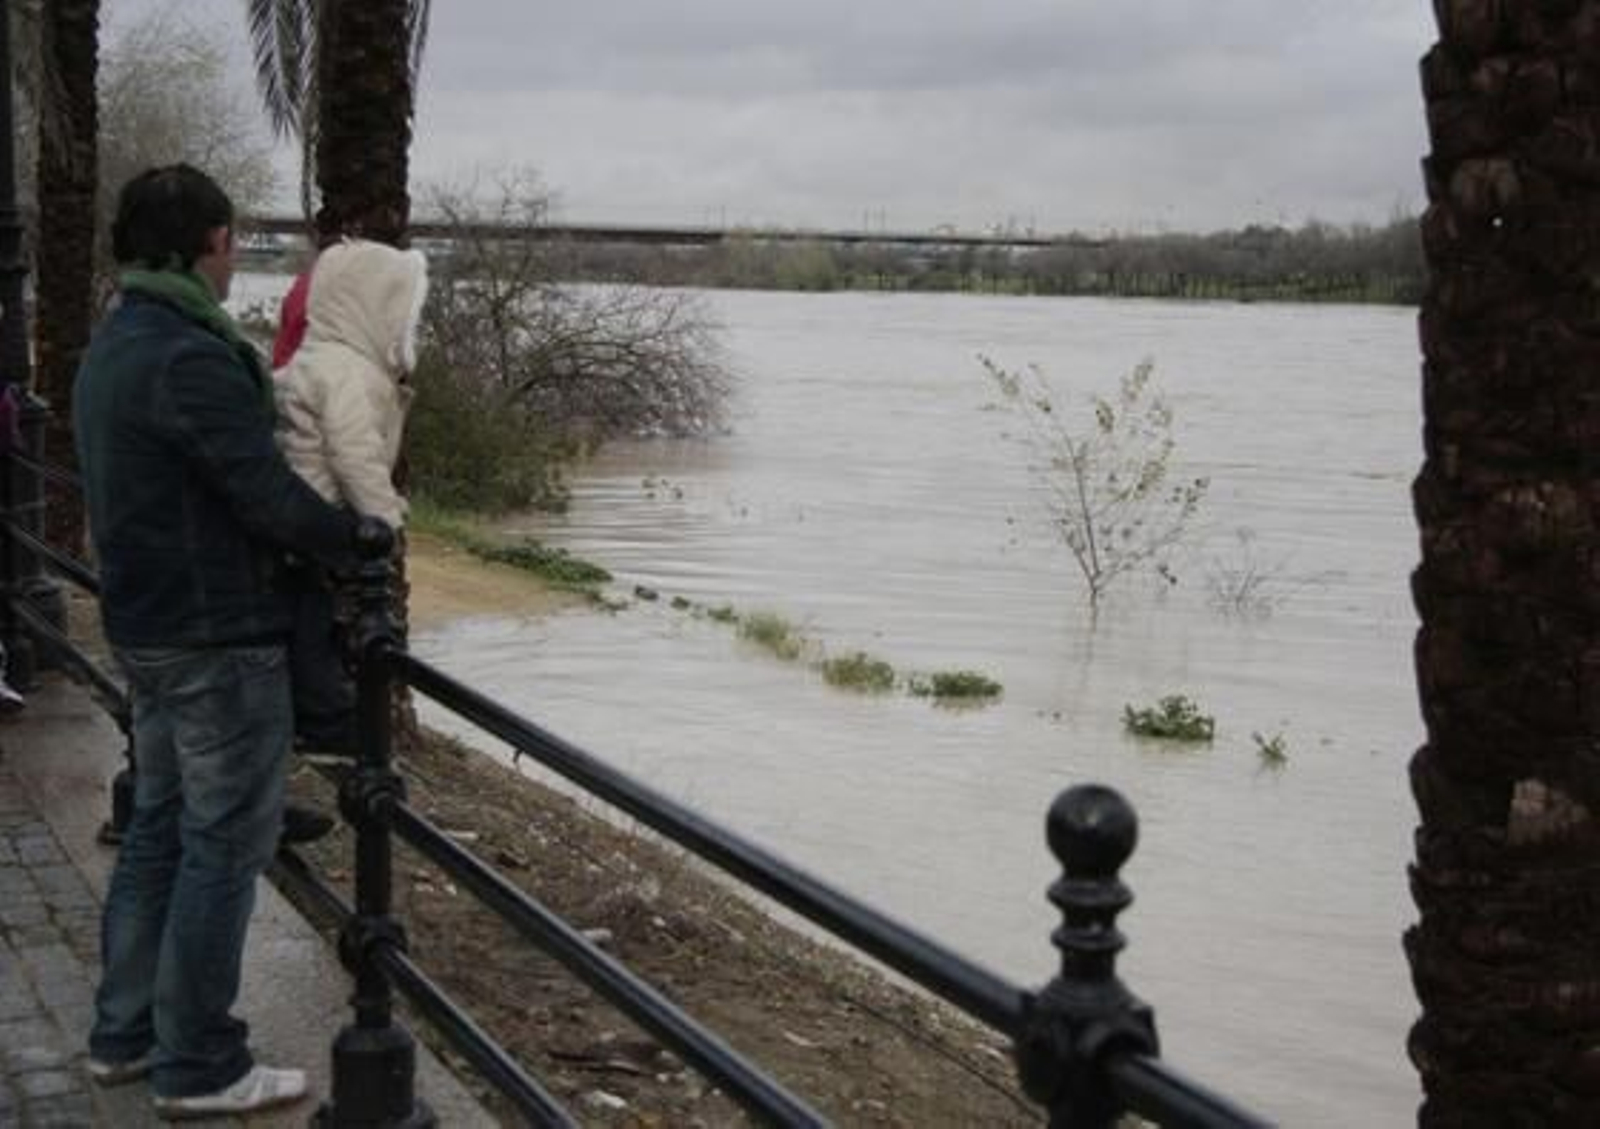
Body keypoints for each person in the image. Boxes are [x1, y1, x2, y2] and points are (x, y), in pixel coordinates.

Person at [74, 164, 380, 1118]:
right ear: (211, 242)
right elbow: (263, 493)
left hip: (150, 627)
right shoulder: (190, 356)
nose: (234, 253)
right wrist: (358, 537)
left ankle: (125, 1034)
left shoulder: (116, 340)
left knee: (161, 830)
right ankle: (200, 1062)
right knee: (222, 846)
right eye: (232, 238)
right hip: (216, 637)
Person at [274, 238, 427, 752]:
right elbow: (352, 453)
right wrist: (386, 518)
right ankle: (326, 721)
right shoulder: (346, 371)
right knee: (313, 621)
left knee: (307, 618)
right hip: (320, 518)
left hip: (296, 517)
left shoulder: (317, 358)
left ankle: (311, 713)